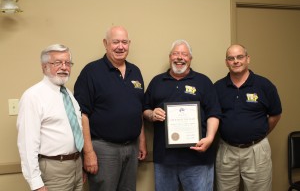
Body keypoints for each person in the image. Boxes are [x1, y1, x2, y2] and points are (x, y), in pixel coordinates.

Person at [74, 26, 147, 191]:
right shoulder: (91, 72)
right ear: (105, 44)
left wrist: (142, 141)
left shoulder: (135, 71)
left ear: (129, 44)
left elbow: (138, 109)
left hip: (132, 147)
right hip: (103, 148)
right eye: (115, 42)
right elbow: (82, 115)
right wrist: (88, 152)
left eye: (124, 42)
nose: (120, 47)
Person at [143, 39, 221, 191]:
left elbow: (214, 113)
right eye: (176, 53)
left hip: (198, 158)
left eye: (184, 54)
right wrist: (152, 114)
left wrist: (210, 138)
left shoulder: (203, 81)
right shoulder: (157, 81)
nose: (179, 57)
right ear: (170, 57)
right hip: (164, 159)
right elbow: (144, 109)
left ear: (190, 58)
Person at [214, 44, 282, 191]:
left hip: (256, 150)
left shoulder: (264, 85)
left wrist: (259, 134)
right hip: (226, 149)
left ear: (248, 59)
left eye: (240, 57)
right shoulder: (218, 88)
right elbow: (212, 117)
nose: (236, 61)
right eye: (231, 58)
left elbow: (275, 115)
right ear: (227, 62)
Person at [17, 44, 84, 191]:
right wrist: (36, 184)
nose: (64, 67)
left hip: (76, 166)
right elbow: (27, 144)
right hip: (53, 170)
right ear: (44, 67)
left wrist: (80, 166)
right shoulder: (33, 97)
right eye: (57, 63)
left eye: (67, 63)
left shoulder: (69, 95)